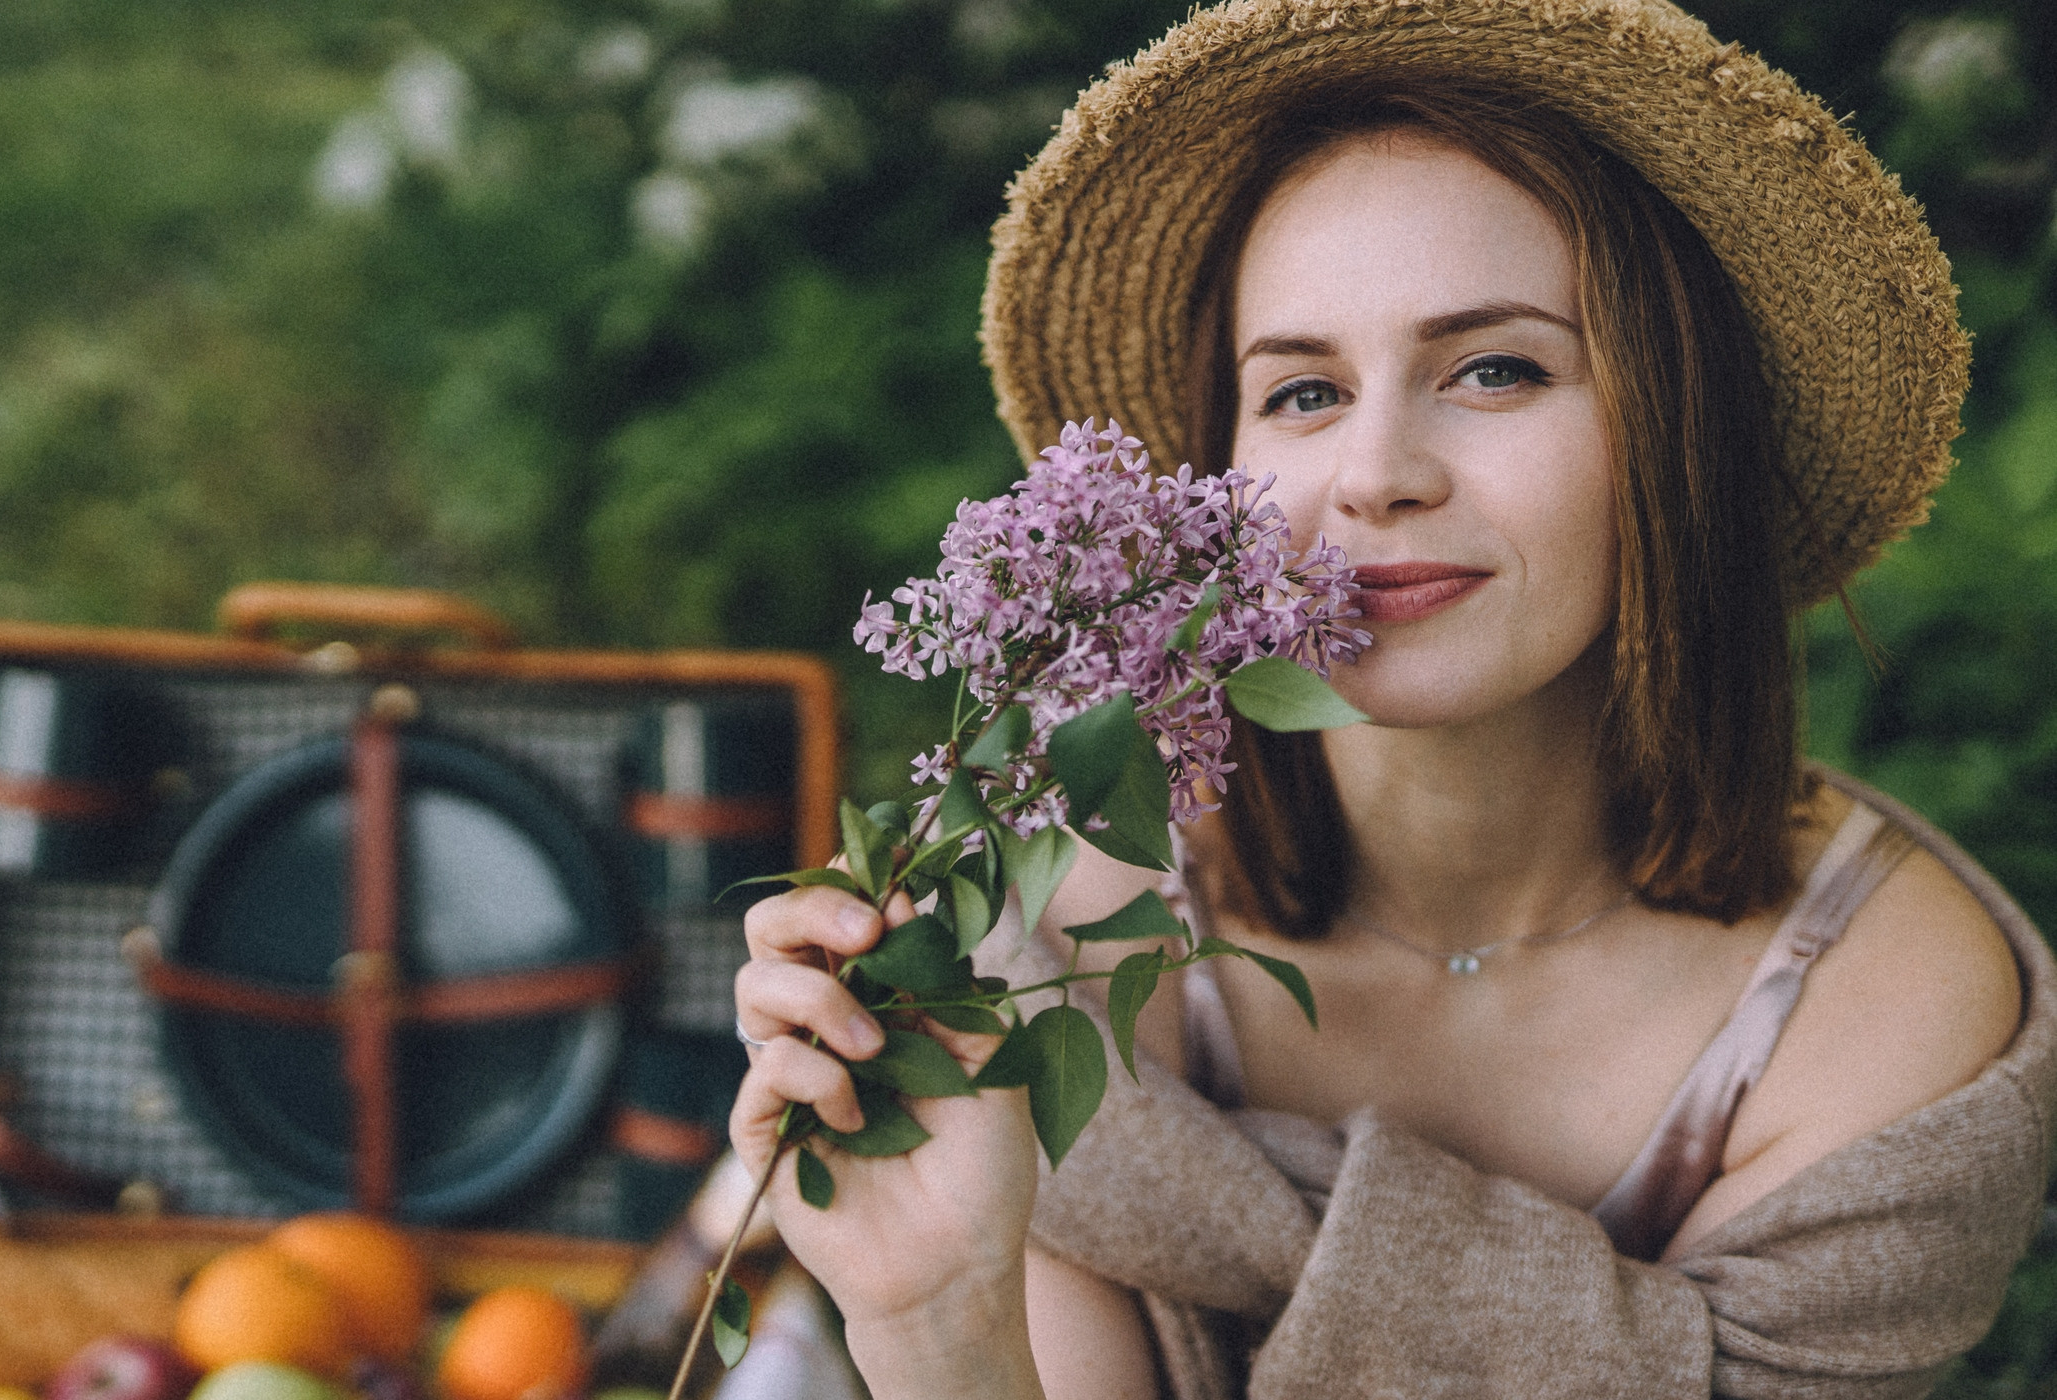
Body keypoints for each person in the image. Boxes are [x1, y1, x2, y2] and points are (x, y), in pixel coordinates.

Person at [729, 2, 2057, 1396]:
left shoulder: (1881, 1001)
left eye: (1497, 369)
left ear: (1676, 430)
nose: (1375, 474)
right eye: (1302, 391)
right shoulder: (1075, 920)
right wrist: (939, 1322)